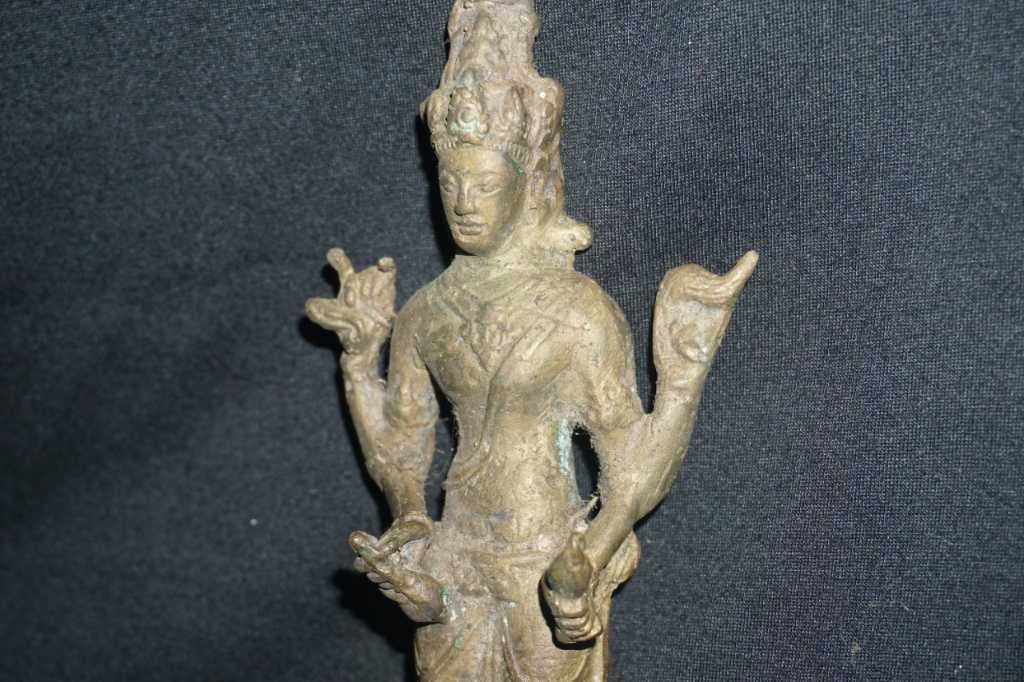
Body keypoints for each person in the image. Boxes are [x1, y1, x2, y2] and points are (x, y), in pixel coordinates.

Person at [306, 1, 756, 679]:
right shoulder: (426, 312)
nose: (463, 201)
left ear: (526, 183)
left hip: (541, 566)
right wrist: (360, 360)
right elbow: (403, 449)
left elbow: (630, 464)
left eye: (485, 182)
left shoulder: (576, 310)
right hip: (454, 566)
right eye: (450, 181)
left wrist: (588, 560)